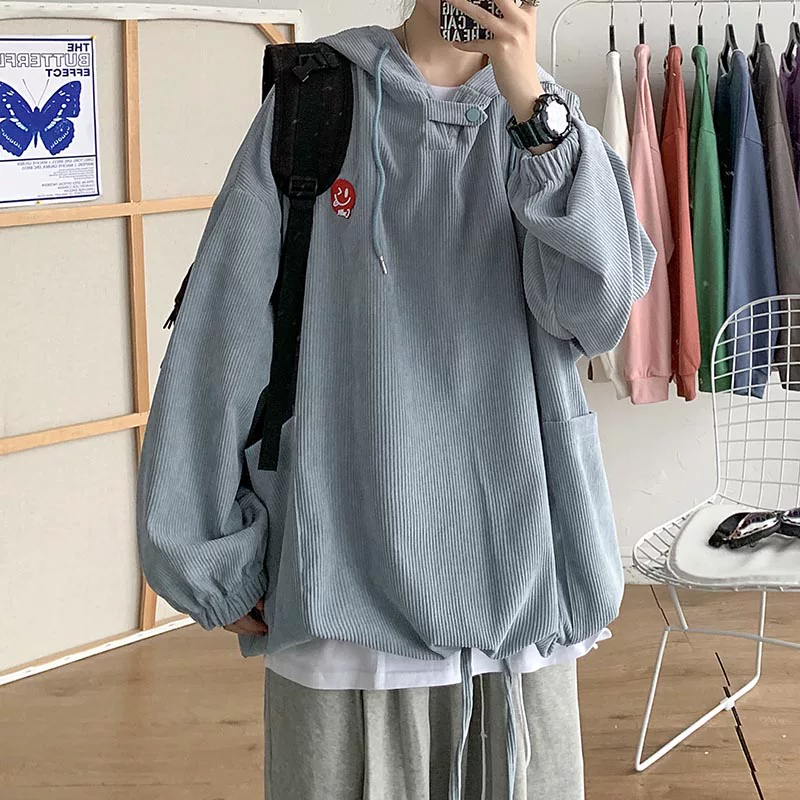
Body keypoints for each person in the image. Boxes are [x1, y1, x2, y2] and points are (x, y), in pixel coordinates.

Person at [136, 1, 656, 798]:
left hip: (521, 590)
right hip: (343, 588)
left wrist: (533, 112)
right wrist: (202, 550)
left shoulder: (547, 124)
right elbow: (220, 330)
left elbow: (597, 313)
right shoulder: (315, 103)